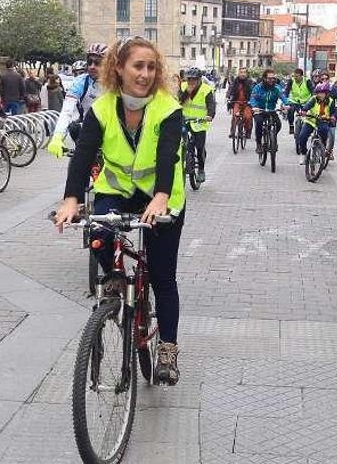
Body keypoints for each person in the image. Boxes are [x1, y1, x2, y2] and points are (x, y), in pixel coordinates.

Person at [54, 36, 186, 385]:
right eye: (137, 66)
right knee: (97, 234)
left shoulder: (167, 108)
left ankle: (168, 349)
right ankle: (114, 279)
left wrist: (160, 198)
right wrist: (71, 200)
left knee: (162, 276)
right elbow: (83, 155)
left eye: (151, 67)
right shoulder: (102, 107)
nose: (145, 74)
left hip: (162, 196)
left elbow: (167, 155)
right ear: (119, 68)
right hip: (117, 191)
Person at [47, 43, 109, 156]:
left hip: (113, 132)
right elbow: (67, 111)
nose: (92, 66)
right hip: (89, 130)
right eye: (89, 62)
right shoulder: (81, 82)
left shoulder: (116, 83)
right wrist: (57, 136)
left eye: (98, 63)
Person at [179, 67, 216, 183]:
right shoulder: (183, 87)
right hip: (184, 120)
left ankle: (201, 170)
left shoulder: (206, 89)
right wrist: (187, 93)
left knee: (199, 147)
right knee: (178, 143)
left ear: (199, 79)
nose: (191, 82)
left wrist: (210, 115)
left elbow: (211, 105)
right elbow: (178, 101)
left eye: (194, 79)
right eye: (189, 79)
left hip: (200, 122)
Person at [249, 68, 289, 153]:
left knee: (278, 124)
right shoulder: (258, 87)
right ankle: (259, 144)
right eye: (269, 78)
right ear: (264, 78)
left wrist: (286, 104)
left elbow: (283, 96)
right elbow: (252, 98)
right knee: (259, 123)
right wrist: (254, 107)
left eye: (273, 78)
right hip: (259, 110)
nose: (271, 80)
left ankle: (272, 138)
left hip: (271, 110)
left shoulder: (277, 88)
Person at [296, 83, 337, 165]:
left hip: (323, 121)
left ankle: (321, 150)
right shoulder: (314, 99)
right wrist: (304, 111)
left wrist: (333, 117)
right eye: (318, 93)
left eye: (322, 93)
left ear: (326, 93)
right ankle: (304, 154)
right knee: (302, 137)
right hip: (311, 121)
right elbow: (307, 106)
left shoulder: (331, 101)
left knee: (324, 133)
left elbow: (333, 112)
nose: (320, 95)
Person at [226, 67, 255, 140]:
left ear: (247, 74)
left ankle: (248, 131)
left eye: (244, 72)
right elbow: (230, 89)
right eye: (241, 72)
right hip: (237, 102)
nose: (242, 74)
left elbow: (254, 92)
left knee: (248, 117)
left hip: (247, 103)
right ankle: (233, 132)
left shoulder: (250, 82)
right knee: (235, 116)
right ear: (238, 73)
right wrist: (228, 97)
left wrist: (252, 100)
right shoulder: (235, 81)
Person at [284, 68, 314, 134]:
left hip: (306, 101)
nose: (295, 78)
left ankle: (309, 127)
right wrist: (285, 100)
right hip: (294, 101)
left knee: (308, 114)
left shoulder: (307, 81)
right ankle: (291, 125)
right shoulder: (291, 81)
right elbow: (286, 91)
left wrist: (312, 99)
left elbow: (312, 91)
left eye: (297, 76)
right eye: (294, 76)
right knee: (290, 110)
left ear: (301, 76)